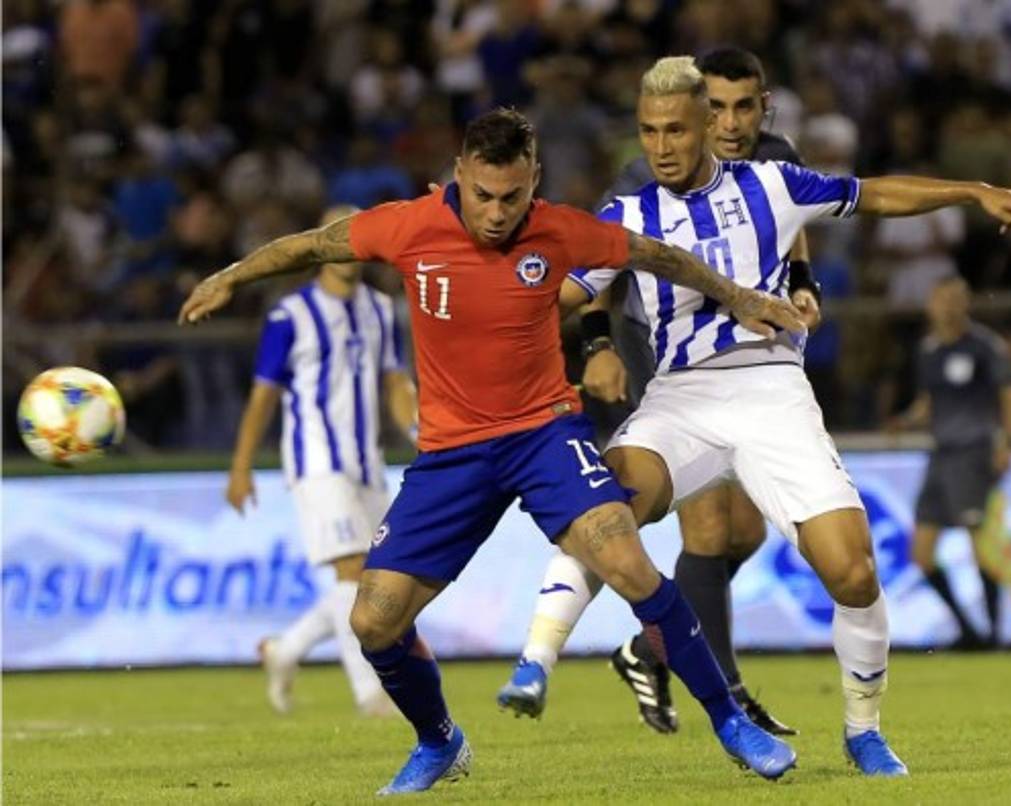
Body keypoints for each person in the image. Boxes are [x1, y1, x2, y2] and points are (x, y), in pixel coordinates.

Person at [181, 108, 805, 794]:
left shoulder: (561, 230)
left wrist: (738, 295)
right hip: (453, 455)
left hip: (544, 435)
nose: (498, 212)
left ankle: (729, 722)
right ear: (460, 175)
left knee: (627, 560)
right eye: (484, 195)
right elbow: (312, 245)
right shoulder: (409, 225)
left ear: (533, 180)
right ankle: (439, 741)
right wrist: (233, 275)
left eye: (512, 197)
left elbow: (658, 255)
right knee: (372, 620)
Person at [493, 56, 1011, 777]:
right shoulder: (624, 216)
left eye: (676, 130)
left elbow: (874, 194)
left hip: (773, 393)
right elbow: (560, 296)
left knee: (852, 572)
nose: (660, 146)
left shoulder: (775, 186)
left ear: (710, 126)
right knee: (613, 502)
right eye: (648, 132)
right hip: (679, 397)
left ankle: (863, 731)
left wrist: (972, 191)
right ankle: (534, 663)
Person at [499, 46, 816, 736]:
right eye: (719, 107)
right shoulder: (644, 175)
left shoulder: (776, 160)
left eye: (743, 107)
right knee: (706, 526)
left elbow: (792, 235)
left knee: (745, 531)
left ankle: (650, 649)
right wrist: (598, 345)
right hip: (659, 350)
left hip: (748, 355)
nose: (731, 123)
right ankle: (729, 696)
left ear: (762, 106)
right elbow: (598, 264)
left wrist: (803, 286)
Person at [226, 205, 418, 717]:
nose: (349, 244)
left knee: (378, 579)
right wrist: (241, 466)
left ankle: (284, 650)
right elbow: (264, 395)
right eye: (338, 235)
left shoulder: (381, 307)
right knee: (351, 571)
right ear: (319, 242)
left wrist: (419, 429)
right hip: (315, 459)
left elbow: (394, 380)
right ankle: (371, 696)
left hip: (367, 461)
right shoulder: (290, 315)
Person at [888, 276, 1011, 648]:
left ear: (966, 304)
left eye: (956, 299)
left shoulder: (984, 347)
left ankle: (994, 635)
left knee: (979, 545)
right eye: (942, 299)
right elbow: (930, 401)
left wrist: (1008, 443)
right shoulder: (929, 349)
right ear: (931, 305)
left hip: (973, 453)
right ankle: (968, 629)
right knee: (921, 552)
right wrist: (906, 420)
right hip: (940, 455)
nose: (948, 306)